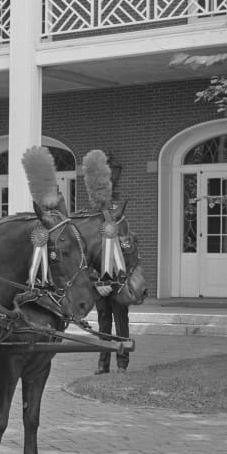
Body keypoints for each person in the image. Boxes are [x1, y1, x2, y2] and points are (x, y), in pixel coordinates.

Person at [94, 151, 130, 375]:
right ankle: (103, 363)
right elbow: (87, 258)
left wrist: (121, 280)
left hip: (119, 282)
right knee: (103, 324)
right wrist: (97, 282)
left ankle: (122, 362)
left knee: (121, 323)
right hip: (101, 285)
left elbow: (130, 254)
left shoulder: (123, 225)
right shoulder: (93, 226)